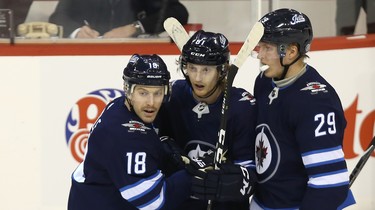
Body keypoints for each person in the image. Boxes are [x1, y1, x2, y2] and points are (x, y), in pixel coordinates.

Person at [250, 8, 356, 209]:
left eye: (267, 48)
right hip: (264, 202)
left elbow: (329, 185)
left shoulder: (316, 103)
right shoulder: (264, 81)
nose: (260, 55)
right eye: (259, 47)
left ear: (291, 51)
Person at [67, 54, 192, 210]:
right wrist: (191, 177)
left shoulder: (119, 106)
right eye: (143, 93)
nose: (151, 102)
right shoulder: (129, 137)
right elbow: (152, 202)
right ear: (128, 90)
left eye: (157, 93)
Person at [157, 30, 258, 210]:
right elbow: (154, 139)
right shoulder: (174, 95)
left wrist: (230, 182)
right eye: (192, 68)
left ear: (222, 70)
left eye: (206, 70)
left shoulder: (243, 106)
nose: (197, 77)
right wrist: (167, 149)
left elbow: (251, 171)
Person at [48, 0, 189, 38]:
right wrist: (77, 31)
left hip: (135, 58)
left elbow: (178, 12)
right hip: (87, 57)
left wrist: (135, 28)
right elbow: (57, 17)